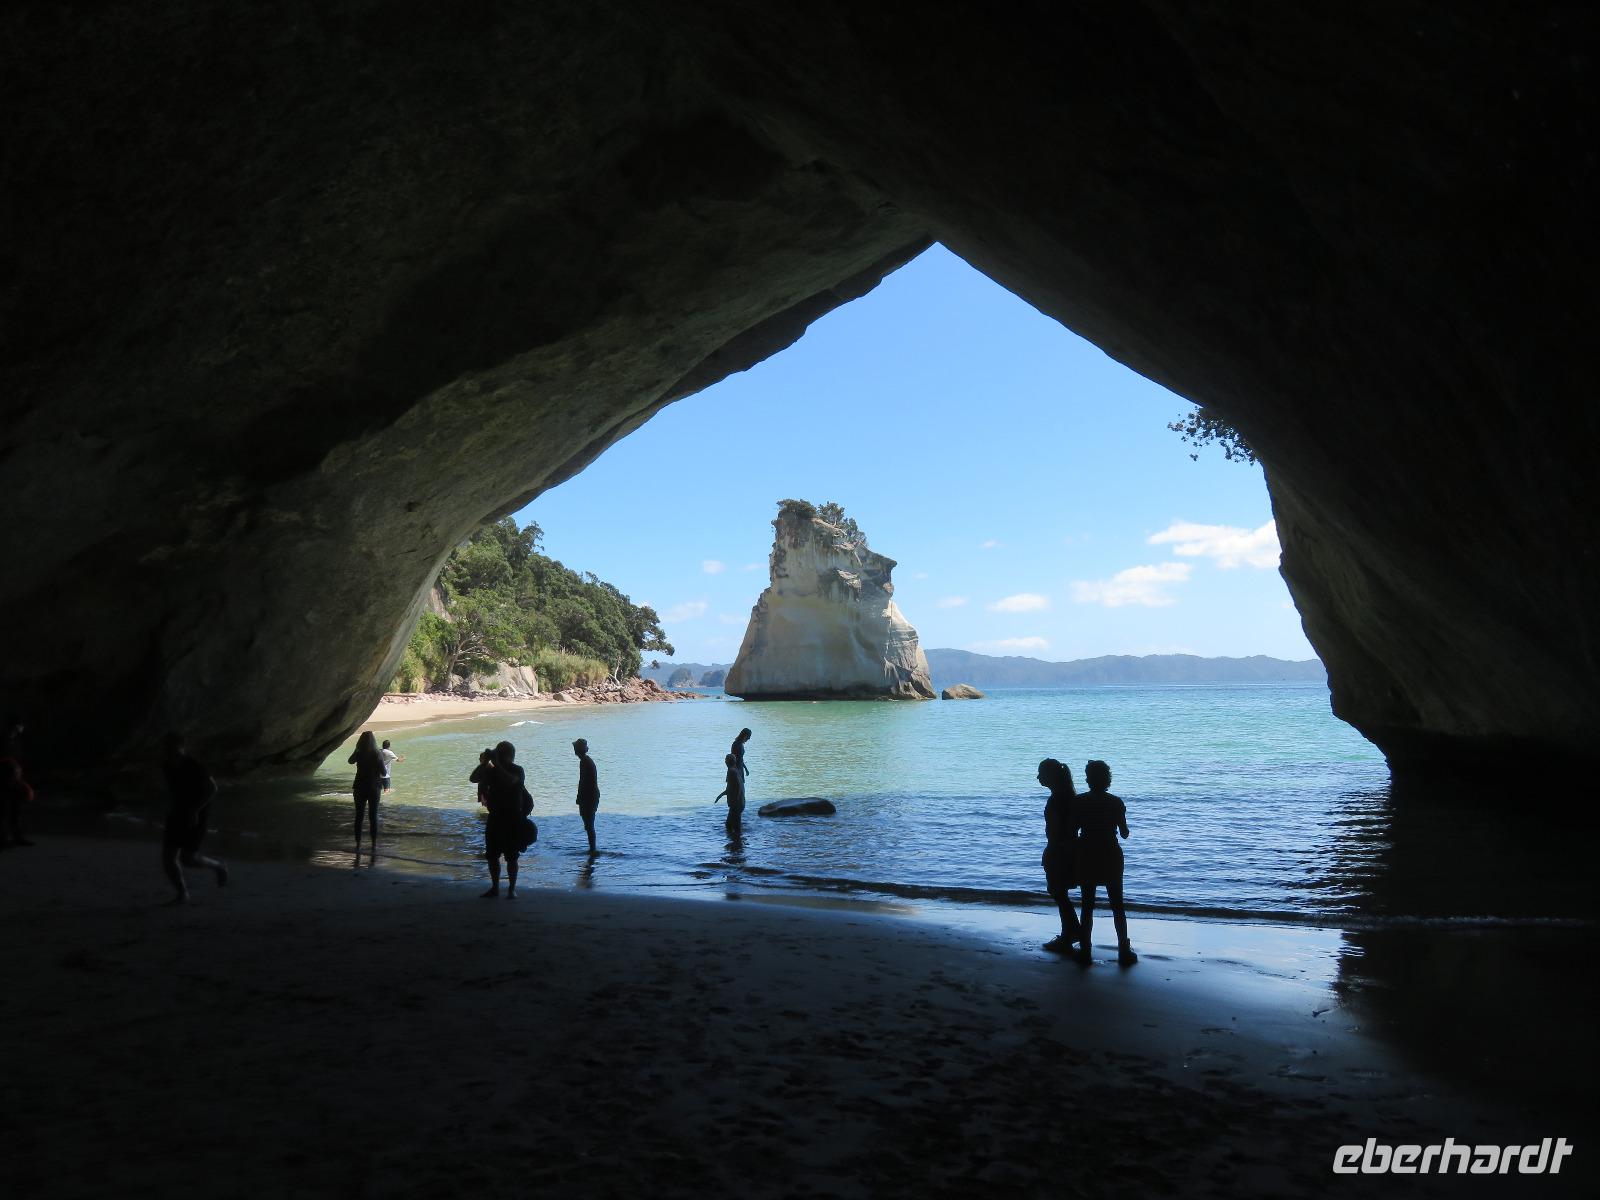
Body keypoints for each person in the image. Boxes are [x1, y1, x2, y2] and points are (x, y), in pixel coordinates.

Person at [1074, 759, 1137, 965]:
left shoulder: (1079, 801)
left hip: (1087, 852)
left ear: (1089, 779)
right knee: (1117, 904)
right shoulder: (1116, 802)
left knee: (1087, 904)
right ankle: (1123, 950)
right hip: (1110, 853)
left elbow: (1072, 831)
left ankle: (1085, 950)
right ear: (1107, 779)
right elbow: (1125, 834)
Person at [161, 733, 227, 904]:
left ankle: (218, 866)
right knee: (168, 857)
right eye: (166, 747)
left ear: (182, 747)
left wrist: (194, 811)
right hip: (176, 813)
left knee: (188, 859)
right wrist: (171, 807)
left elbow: (212, 789)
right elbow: (172, 790)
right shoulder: (166, 765)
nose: (169, 750)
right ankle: (182, 894)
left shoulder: (194, 765)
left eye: (173, 746)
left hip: (197, 815)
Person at [470, 741, 531, 898]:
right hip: (496, 818)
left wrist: (495, 763)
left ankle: (511, 889)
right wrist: (485, 763)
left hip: (512, 818)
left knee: (511, 857)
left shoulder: (517, 770)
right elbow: (473, 778)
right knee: (492, 856)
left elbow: (510, 781)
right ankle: (496, 887)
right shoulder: (492, 771)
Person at [1037, 758, 1084, 954]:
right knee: (1060, 892)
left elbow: (1055, 830)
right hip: (1072, 848)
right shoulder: (1071, 796)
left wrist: (1050, 851)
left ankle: (1069, 934)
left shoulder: (1056, 799)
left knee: (1057, 891)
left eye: (1041, 773)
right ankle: (1073, 932)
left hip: (1059, 849)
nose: (1038, 777)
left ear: (1051, 776)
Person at [347, 730, 385, 852]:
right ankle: (374, 845)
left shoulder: (359, 753)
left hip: (359, 787)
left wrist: (357, 749)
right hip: (374, 788)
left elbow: (350, 761)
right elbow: (384, 772)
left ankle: (358, 844)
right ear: (374, 741)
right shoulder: (377, 753)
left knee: (359, 816)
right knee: (373, 816)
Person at [573, 738, 599, 854]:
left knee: (589, 824)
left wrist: (580, 797)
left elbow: (584, 781)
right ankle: (592, 849)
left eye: (575, 747)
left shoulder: (585, 762)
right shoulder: (586, 760)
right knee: (589, 824)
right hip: (591, 796)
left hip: (589, 797)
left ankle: (592, 850)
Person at [714, 752, 745, 831]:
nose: (725, 761)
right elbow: (734, 787)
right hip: (740, 802)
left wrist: (735, 802)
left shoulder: (731, 771)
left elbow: (736, 787)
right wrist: (720, 795)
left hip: (736, 803)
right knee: (732, 825)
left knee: (730, 825)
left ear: (728, 762)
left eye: (726, 760)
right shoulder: (736, 770)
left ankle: (737, 841)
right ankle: (738, 840)